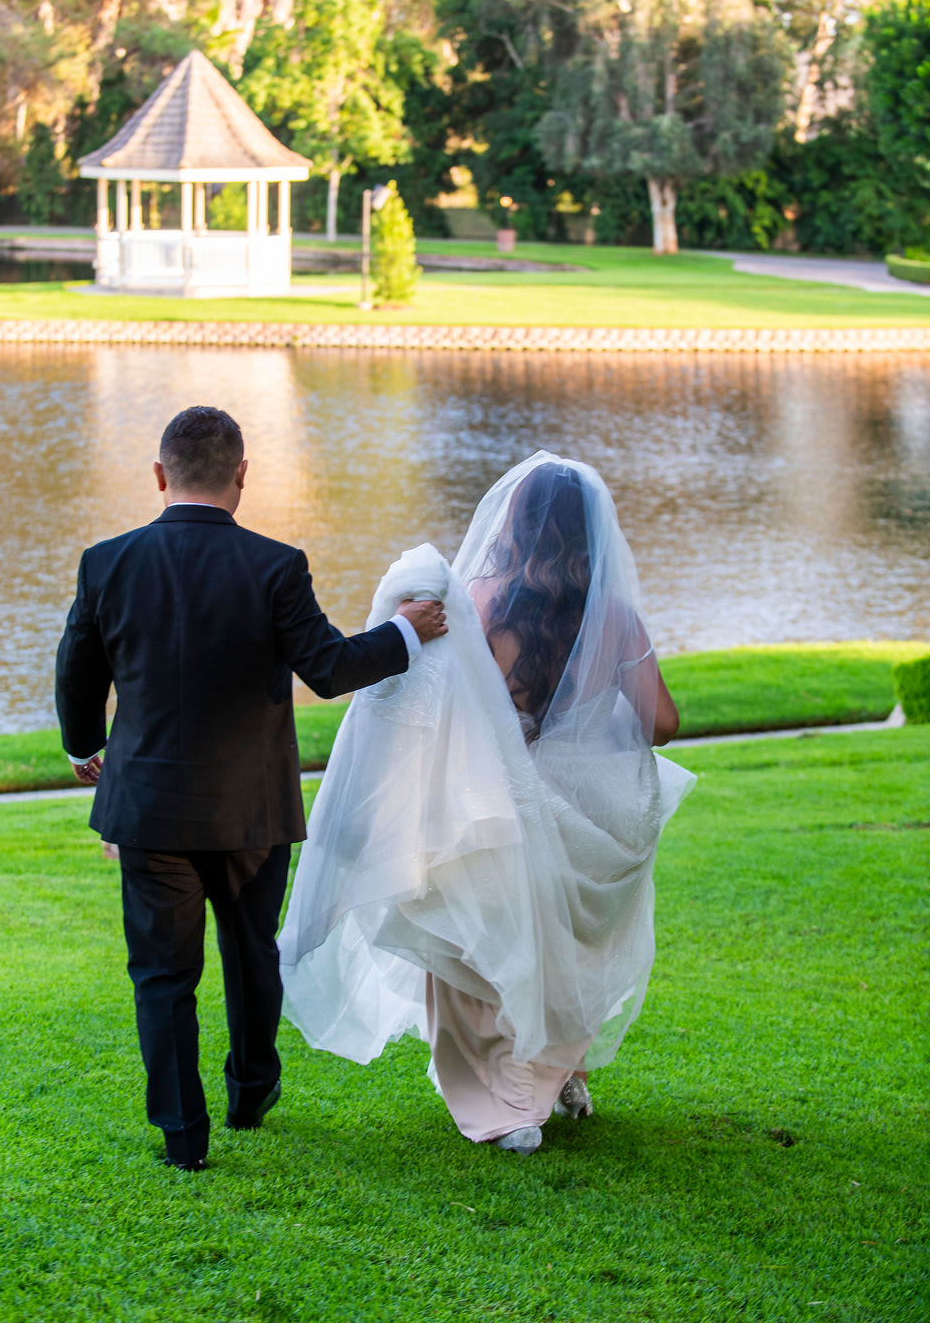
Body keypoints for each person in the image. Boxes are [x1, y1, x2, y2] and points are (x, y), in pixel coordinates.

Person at [55, 405, 447, 1171]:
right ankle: (250, 1091)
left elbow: (77, 673)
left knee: (162, 972)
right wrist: (405, 630)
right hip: (252, 811)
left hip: (148, 810)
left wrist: (81, 746)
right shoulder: (277, 565)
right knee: (249, 952)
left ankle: (181, 1133)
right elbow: (329, 669)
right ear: (242, 475)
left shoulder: (105, 563)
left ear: (160, 475)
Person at [279, 452, 694, 1154]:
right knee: (560, 946)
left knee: (477, 951)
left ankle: (506, 1109)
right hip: (574, 805)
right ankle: (552, 1073)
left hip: (492, 801)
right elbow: (663, 725)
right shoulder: (613, 618)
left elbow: (432, 707)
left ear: (515, 522)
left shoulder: (475, 603)